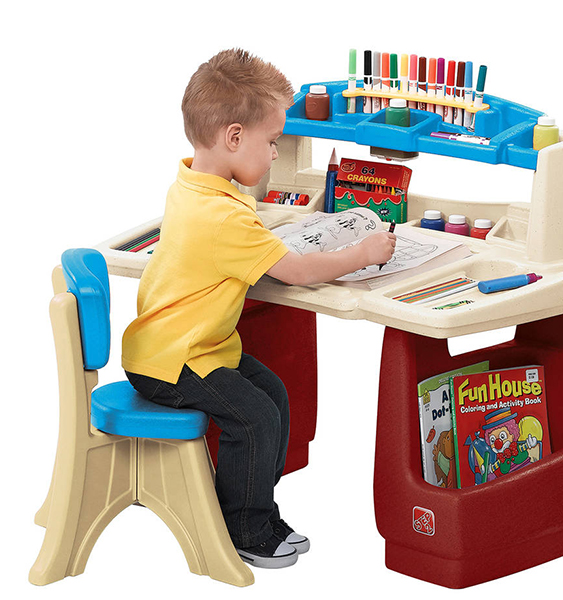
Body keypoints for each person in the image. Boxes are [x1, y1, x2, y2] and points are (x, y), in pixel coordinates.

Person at [122, 49, 396, 569]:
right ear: (233, 137)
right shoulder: (225, 217)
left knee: (274, 395)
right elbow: (296, 271)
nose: (274, 154)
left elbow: (235, 243)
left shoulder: (193, 185)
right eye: (271, 141)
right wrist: (362, 253)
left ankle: (257, 510)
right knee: (255, 419)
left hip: (191, 346)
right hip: (172, 360)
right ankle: (243, 527)